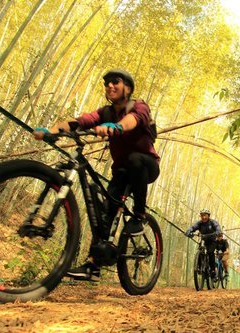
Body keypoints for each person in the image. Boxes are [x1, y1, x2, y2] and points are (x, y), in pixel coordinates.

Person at [33, 69, 160, 281]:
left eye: (115, 82)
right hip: (121, 171)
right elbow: (80, 121)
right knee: (105, 214)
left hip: (146, 166)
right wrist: (52, 130)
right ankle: (93, 266)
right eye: (107, 83)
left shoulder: (139, 105)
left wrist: (117, 127)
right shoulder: (105, 112)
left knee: (134, 159)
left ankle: (139, 215)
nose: (110, 86)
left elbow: (135, 119)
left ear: (127, 88)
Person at [185, 209, 221, 278]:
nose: (203, 217)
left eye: (205, 215)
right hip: (204, 240)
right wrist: (189, 231)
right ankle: (198, 267)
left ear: (208, 216)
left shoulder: (213, 222)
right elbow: (193, 227)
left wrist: (217, 232)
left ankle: (213, 270)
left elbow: (218, 228)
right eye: (202, 215)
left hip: (212, 241)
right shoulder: (199, 223)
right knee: (200, 250)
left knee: (210, 252)